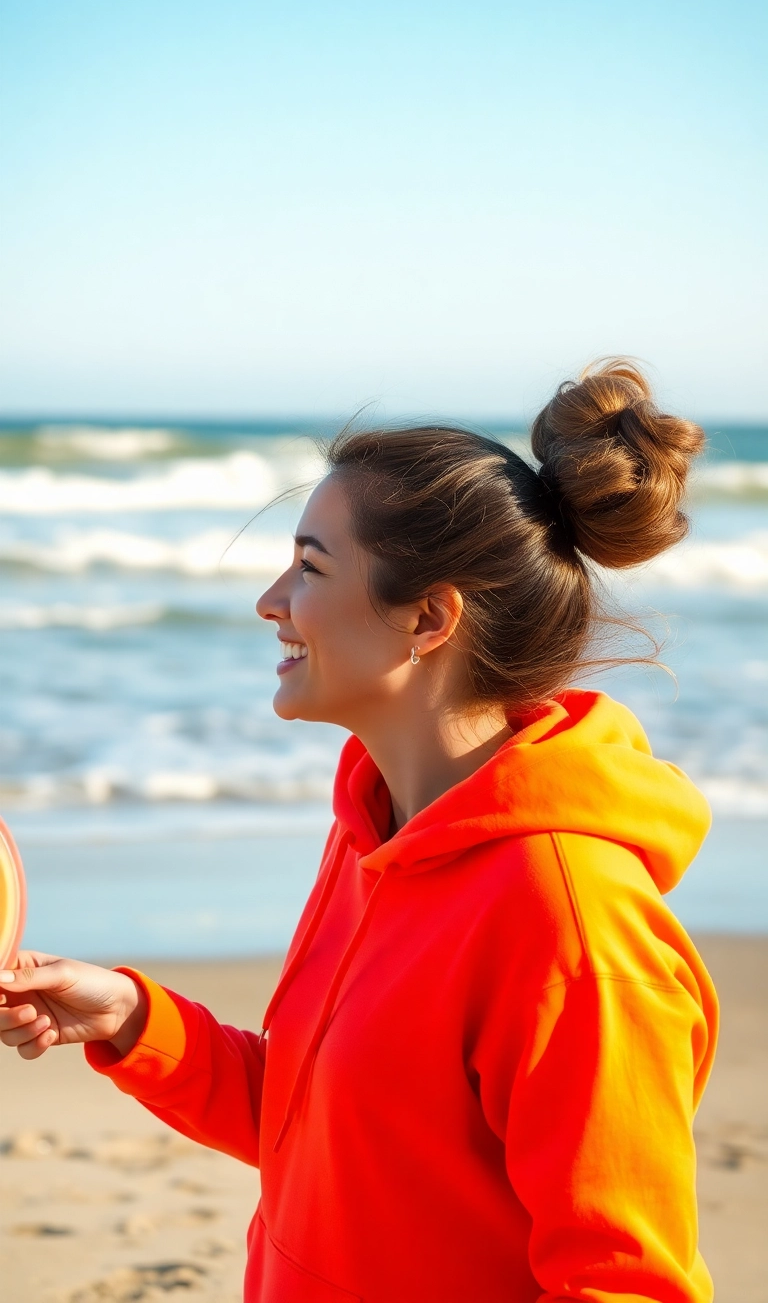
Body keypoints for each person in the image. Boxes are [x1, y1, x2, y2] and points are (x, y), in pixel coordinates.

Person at [0, 360, 718, 1303]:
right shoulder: (378, 830)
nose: (270, 601)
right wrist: (134, 1022)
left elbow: (627, 1285)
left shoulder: (572, 929)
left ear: (428, 616)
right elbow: (322, 1126)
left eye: (309, 565)